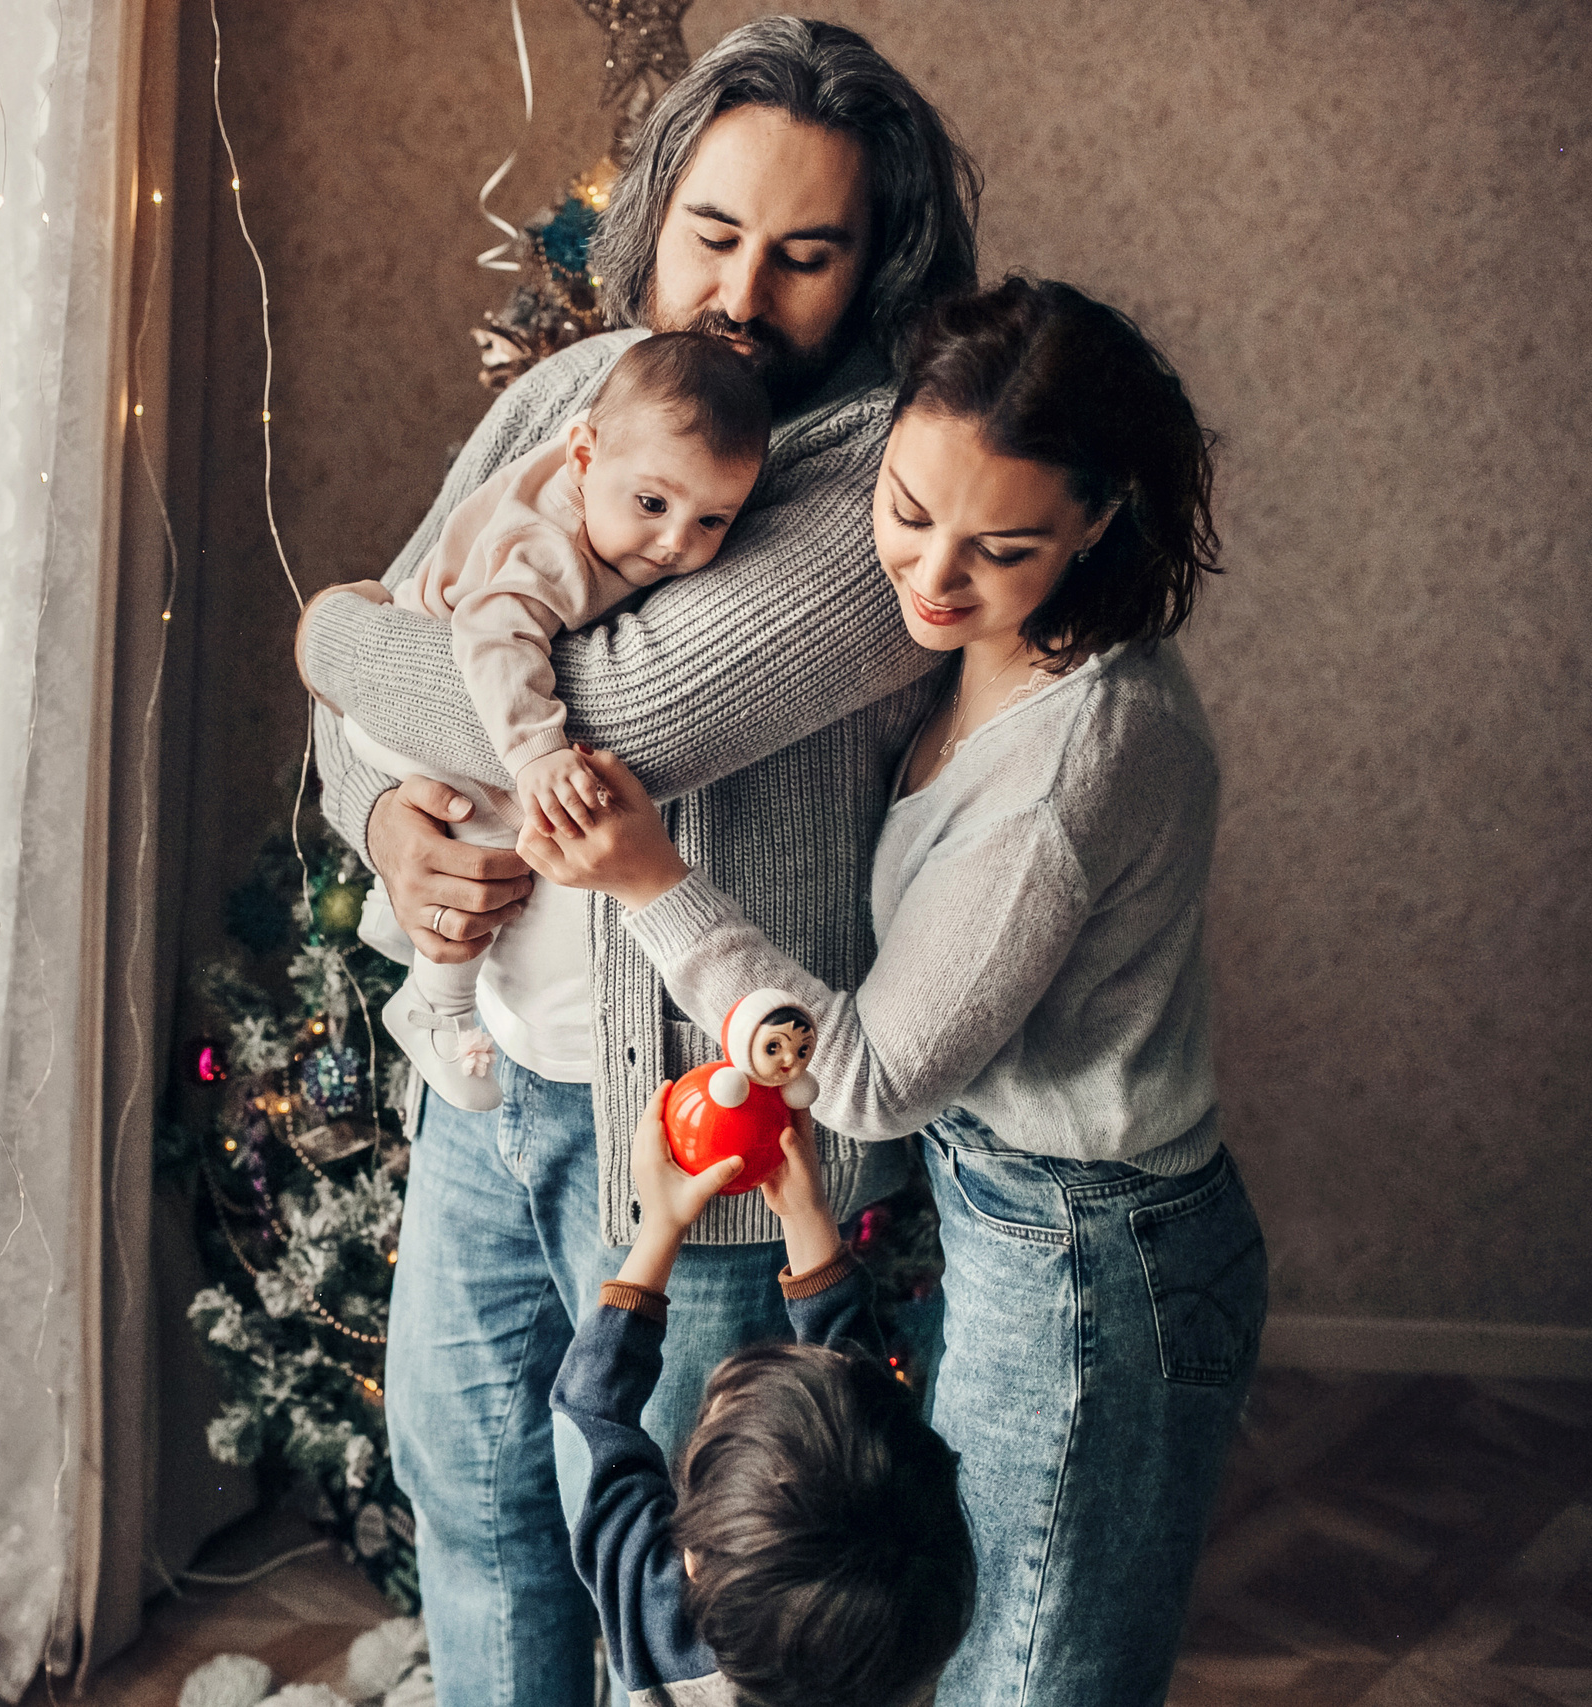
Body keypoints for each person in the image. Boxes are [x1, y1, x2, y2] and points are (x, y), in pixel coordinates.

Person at [294, 22, 978, 1703]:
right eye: (716, 236)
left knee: (685, 1588)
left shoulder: (878, 471)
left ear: (876, 264)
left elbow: (619, 715)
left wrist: (320, 633)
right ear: (655, 216)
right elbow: (390, 716)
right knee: (474, 1498)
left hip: (716, 1134)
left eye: (806, 254)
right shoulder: (562, 398)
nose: (745, 292)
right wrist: (384, 821)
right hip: (492, 1090)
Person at [521, 276, 1268, 1706]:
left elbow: (868, 1074)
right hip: (1005, 1202)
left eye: (1000, 545)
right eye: (909, 509)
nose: (929, 575)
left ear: (1098, 522)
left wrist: (647, 881)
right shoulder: (976, 643)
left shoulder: (1074, 758)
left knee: (1026, 1673)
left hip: (1089, 1257)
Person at [309, 334, 771, 1113]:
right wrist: (534, 754)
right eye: (654, 505)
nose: (675, 544)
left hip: (415, 690)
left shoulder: (618, 485)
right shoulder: (548, 547)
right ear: (584, 457)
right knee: (506, 830)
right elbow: (492, 639)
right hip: (417, 704)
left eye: (713, 520)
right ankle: (436, 1006)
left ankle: (410, 946)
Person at [551, 1090, 973, 1707]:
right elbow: (862, 1420)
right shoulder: (900, 1637)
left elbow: (590, 1415)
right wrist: (808, 1219)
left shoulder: (662, 1632)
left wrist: (661, 1226)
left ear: (691, 1560)